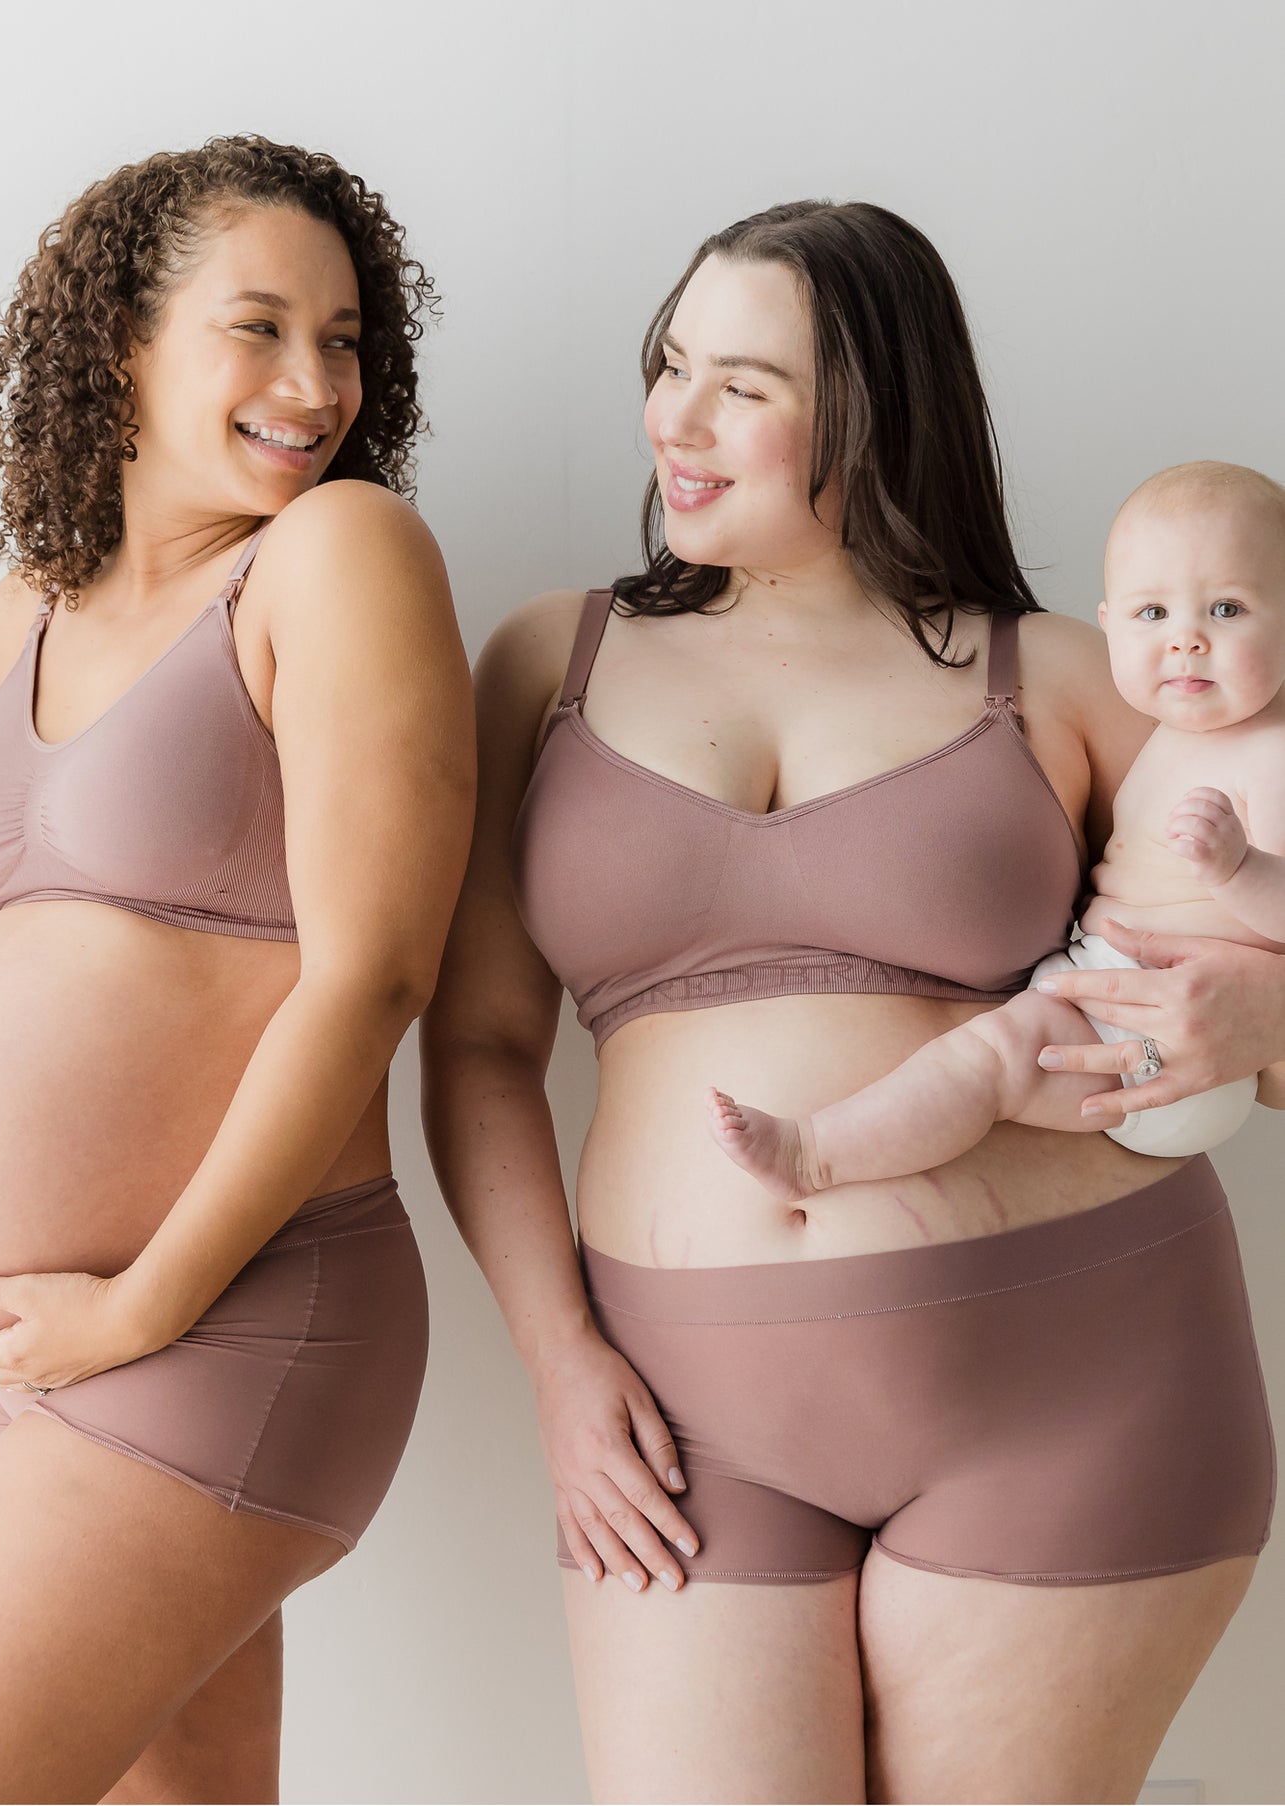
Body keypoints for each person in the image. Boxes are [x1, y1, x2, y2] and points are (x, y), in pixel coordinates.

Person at [421, 201, 1277, 1803]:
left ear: (871, 410)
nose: (675, 417)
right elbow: (476, 1049)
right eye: (669, 363)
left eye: (740, 382)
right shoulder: (552, 663)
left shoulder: (1075, 676)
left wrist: (1261, 1030)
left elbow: (1261, 959)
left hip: (1081, 1385)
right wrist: (557, 1365)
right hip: (683, 1429)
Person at [0, 134, 473, 1804]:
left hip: (224, 1315)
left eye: (343, 338)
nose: (312, 381)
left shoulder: (338, 556)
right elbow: (58, 950)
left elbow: (374, 976)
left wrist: (141, 1300)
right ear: (121, 339)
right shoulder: (26, 614)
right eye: (258, 327)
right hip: (61, 1342)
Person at [707, 459, 1285, 1199]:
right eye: (1152, 615)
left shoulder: (1270, 755)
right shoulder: (1170, 730)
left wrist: (1237, 870)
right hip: (1108, 992)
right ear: (1108, 625)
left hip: (1165, 1041)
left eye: (1227, 609)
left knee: (988, 1063)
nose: (1186, 641)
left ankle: (814, 1155)